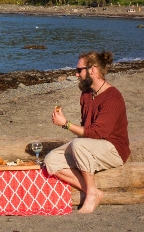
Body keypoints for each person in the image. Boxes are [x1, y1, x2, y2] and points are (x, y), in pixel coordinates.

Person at [47, 51, 130, 213]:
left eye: (79, 70)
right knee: (51, 160)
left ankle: (91, 194)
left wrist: (66, 124)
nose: (76, 74)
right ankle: (92, 190)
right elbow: (87, 131)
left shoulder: (112, 97)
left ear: (92, 69)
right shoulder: (86, 95)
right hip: (92, 147)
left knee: (78, 145)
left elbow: (98, 133)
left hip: (114, 149)